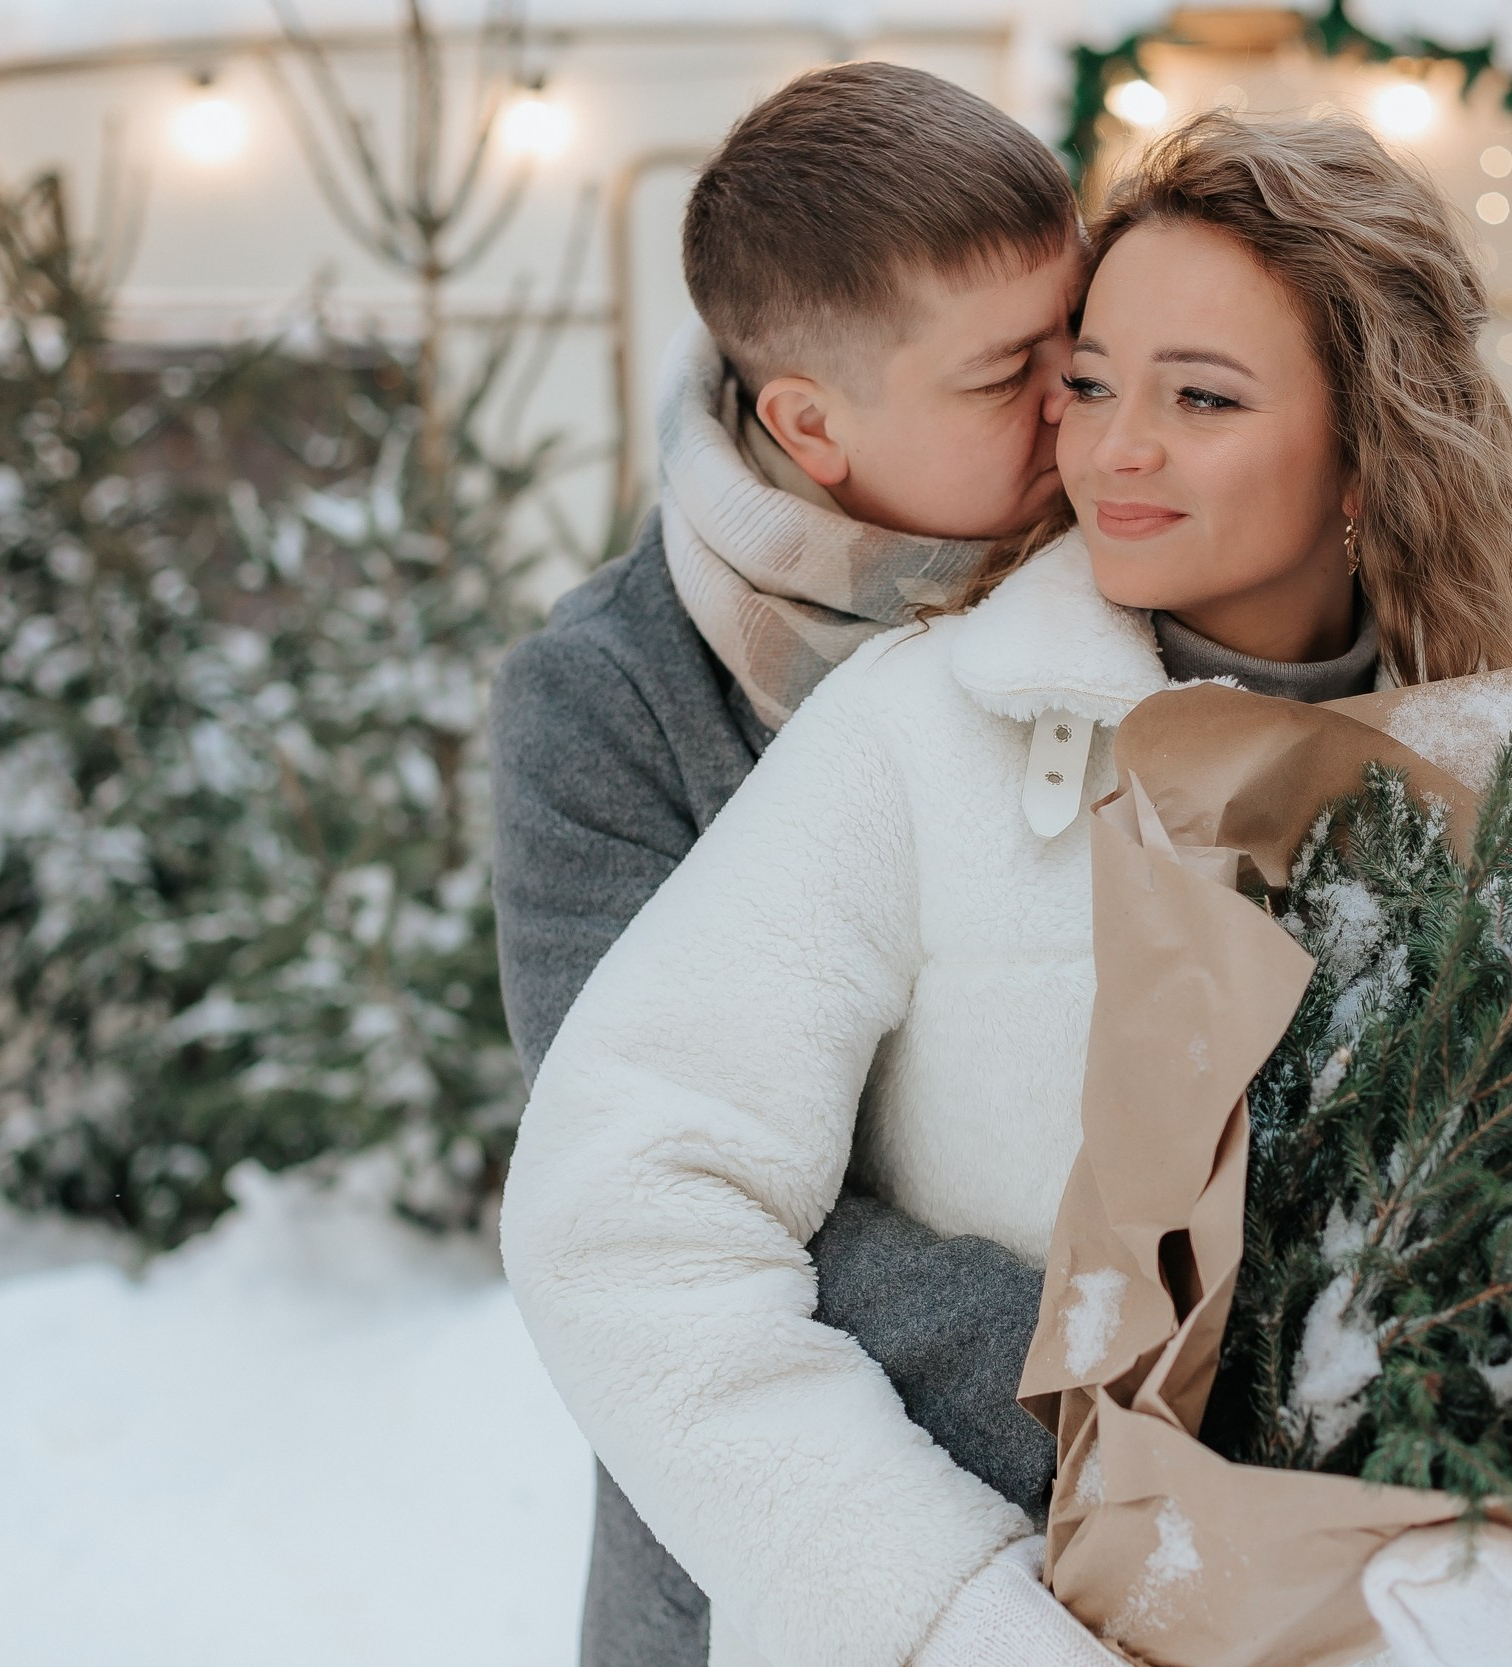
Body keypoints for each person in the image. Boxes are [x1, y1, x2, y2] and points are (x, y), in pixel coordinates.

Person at [504, 111, 1512, 1667]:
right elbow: (628, 1201)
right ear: (814, 424)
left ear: (1371, 439)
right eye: (1080, 384)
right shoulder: (899, 725)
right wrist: (1001, 1581)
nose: (1094, 443)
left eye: (1192, 392)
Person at [487, 60, 1084, 1667]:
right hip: (792, 1531)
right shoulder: (611, 701)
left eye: (1076, 341)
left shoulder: (1134, 579)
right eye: (1006, 372)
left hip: (1162, 1531)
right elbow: (647, 1190)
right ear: (811, 424)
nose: (1076, 402)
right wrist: (1122, 1379)